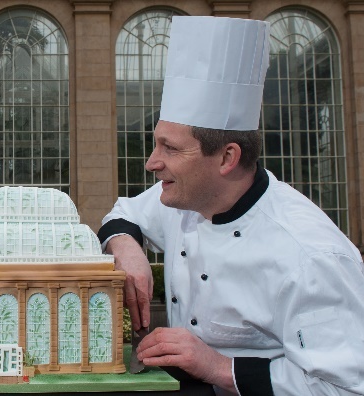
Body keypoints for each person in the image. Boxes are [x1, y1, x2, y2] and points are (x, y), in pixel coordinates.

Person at [98, 16, 364, 395]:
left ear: (227, 158)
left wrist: (216, 366)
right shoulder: (184, 199)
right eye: (156, 143)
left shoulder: (311, 256)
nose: (151, 162)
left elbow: (346, 387)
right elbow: (124, 214)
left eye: (170, 148)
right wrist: (126, 248)